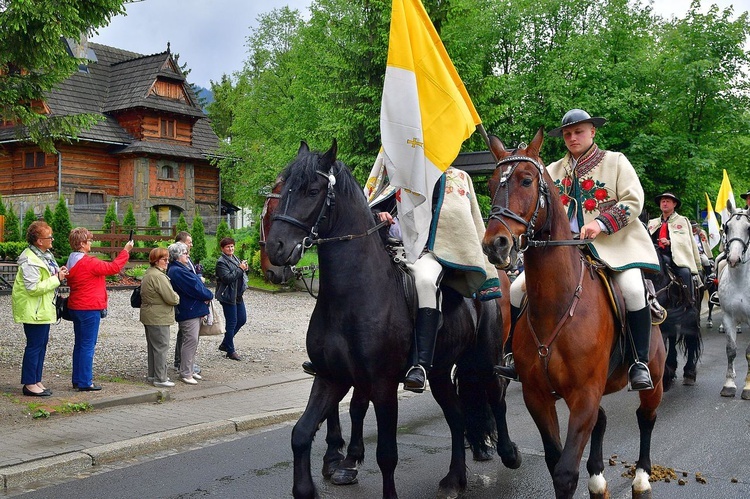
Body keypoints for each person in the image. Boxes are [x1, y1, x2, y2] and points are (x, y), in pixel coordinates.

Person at [496, 109, 660, 391]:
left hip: (614, 247)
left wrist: (601, 223)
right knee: (515, 289)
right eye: (568, 134)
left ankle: (639, 363)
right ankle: (512, 355)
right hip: (563, 252)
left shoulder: (615, 161)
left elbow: (634, 201)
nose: (573, 137)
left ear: (592, 132)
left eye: (579, 132)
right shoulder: (551, 170)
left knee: (633, 290)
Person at [362, 161, 503, 393]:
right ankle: (333, 356)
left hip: (425, 252)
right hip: (387, 251)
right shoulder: (392, 174)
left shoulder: (450, 177)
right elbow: (367, 207)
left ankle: (420, 365)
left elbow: (454, 220)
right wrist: (377, 215)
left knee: (426, 282)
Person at [66, 227, 133, 391]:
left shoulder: (71, 260)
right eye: (89, 240)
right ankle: (85, 382)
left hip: (76, 306)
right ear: (82, 243)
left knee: (80, 345)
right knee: (88, 345)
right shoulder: (89, 262)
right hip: (89, 308)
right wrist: (126, 250)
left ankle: (78, 379)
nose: (91, 243)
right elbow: (113, 268)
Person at [12, 221, 69, 397]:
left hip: (42, 309)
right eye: (48, 237)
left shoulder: (44, 255)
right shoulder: (30, 260)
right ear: (38, 240)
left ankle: (36, 380)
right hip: (33, 311)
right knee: (34, 346)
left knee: (41, 346)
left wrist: (57, 273)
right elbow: (33, 288)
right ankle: (29, 384)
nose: (52, 239)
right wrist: (57, 278)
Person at [167, 242, 213, 385]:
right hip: (189, 310)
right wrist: (208, 294)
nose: (188, 255)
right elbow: (195, 287)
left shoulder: (181, 268)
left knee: (192, 341)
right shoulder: (178, 271)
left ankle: (189, 369)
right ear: (178, 256)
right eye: (185, 253)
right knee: (190, 341)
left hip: (193, 309)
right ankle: (186, 372)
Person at [647, 193, 702, 304]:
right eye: (663, 201)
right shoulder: (652, 223)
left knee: (685, 273)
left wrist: (670, 242)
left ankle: (689, 301)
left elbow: (686, 241)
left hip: (674, 258)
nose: (665, 203)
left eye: (668, 201)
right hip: (654, 256)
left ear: (674, 204)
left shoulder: (682, 221)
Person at [139, 247, 180, 388]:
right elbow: (171, 298)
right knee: (161, 347)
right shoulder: (158, 276)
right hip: (158, 316)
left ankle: (153, 375)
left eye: (168, 259)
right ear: (156, 261)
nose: (167, 262)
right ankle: (161, 378)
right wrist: (177, 296)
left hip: (149, 315)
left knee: (153, 347)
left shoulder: (149, 273)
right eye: (164, 259)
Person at [172, 231, 203, 375]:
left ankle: (184, 363)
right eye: (189, 242)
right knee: (189, 337)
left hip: (192, 305)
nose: (191, 245)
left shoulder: (185, 260)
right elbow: (190, 284)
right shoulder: (177, 266)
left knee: (186, 336)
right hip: (187, 305)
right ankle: (184, 367)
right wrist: (205, 294)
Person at [215, 237, 248, 361]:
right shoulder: (221, 262)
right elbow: (227, 278)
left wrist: (244, 269)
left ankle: (225, 343)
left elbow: (240, 274)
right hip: (228, 295)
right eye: (228, 247)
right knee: (232, 322)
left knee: (242, 319)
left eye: (232, 246)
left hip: (238, 295)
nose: (231, 249)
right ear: (222, 249)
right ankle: (230, 350)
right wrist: (240, 269)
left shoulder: (235, 258)